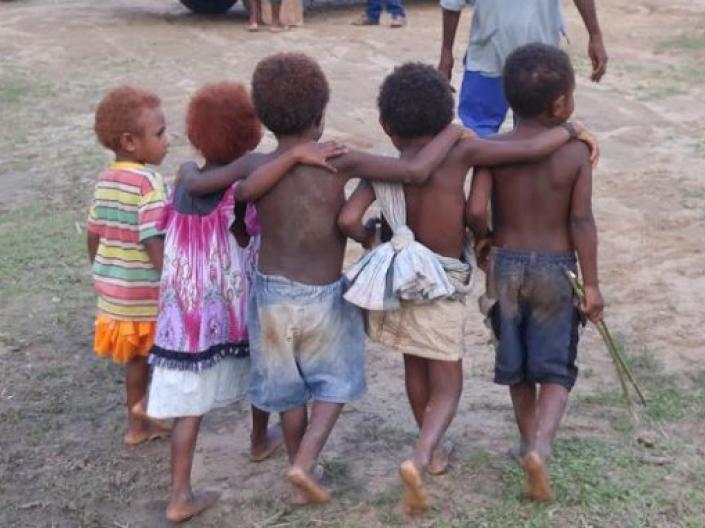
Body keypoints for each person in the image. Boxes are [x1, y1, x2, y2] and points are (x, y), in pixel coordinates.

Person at [178, 52, 482, 505]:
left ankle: (301, 467)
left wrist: (185, 168)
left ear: (263, 117)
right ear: (320, 117)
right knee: (332, 385)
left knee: (290, 391)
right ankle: (305, 463)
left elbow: (196, 185)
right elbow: (416, 170)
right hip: (323, 298)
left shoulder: (253, 166)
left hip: (270, 297)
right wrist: (454, 131)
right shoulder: (340, 159)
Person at [337, 62, 597, 514]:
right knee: (453, 384)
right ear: (445, 118)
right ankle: (430, 454)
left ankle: (434, 452)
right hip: (443, 283)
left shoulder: (381, 170)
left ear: (386, 125)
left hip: (402, 284)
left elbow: (347, 219)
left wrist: (374, 240)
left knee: (417, 367)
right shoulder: (462, 153)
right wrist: (572, 130)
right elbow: (531, 155)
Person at [143, 82, 343, 523]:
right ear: (251, 134)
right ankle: (258, 439)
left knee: (188, 410)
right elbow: (257, 220)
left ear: (195, 133)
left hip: (186, 318)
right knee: (263, 376)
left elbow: (161, 226)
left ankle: (180, 494)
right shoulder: (246, 183)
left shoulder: (184, 181)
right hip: (238, 309)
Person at [466, 43, 604, 502]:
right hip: (556, 270)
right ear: (561, 104)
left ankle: (527, 442)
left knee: (518, 364)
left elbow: (474, 208)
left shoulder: (491, 150)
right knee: (557, 370)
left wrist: (483, 237)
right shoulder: (576, 153)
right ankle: (541, 448)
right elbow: (581, 221)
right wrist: (594, 284)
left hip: (504, 267)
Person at [87, 85, 171, 447]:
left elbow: (94, 233)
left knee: (136, 361)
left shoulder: (105, 179)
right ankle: (153, 407)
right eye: (160, 133)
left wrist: (100, 269)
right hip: (147, 292)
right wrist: (171, 278)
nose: (168, 140)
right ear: (130, 142)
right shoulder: (149, 182)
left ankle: (136, 427)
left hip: (116, 292)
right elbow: (153, 238)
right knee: (168, 353)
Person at [438, 0, 608, 137]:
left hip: (537, 61)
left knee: (537, 133)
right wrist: (446, 54)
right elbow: (452, 3)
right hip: (490, 57)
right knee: (478, 136)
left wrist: (595, 35)